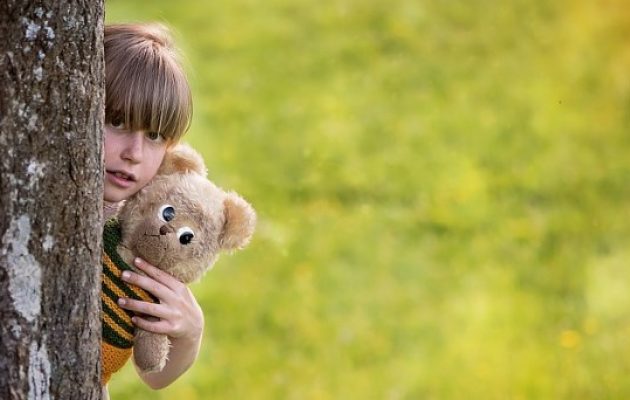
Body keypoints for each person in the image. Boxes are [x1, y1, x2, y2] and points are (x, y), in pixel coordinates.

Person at [101, 23, 203, 395]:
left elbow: (154, 377)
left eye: (154, 135)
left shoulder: (145, 232)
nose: (134, 153)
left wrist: (190, 332)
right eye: (116, 122)